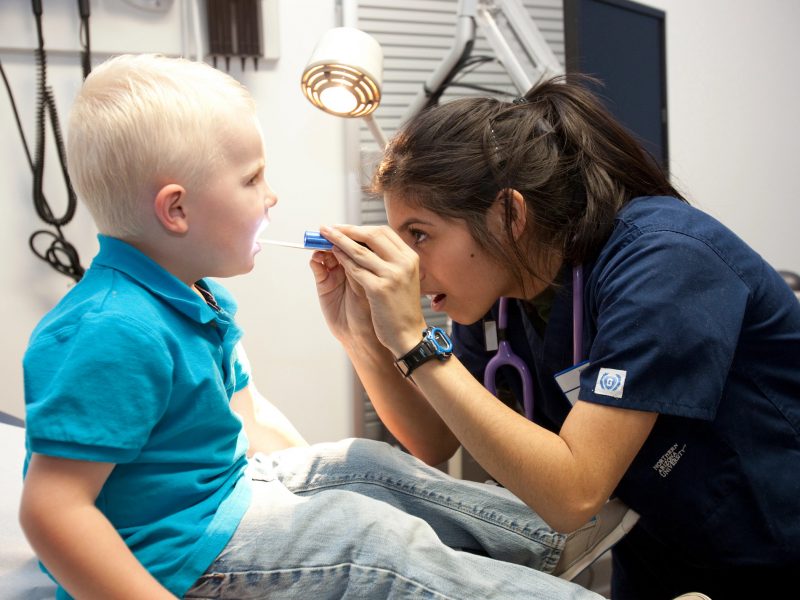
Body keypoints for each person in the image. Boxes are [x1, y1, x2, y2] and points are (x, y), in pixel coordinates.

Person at [19, 54, 611, 600]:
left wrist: (333, 484)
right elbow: (52, 511)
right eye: (252, 180)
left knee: (361, 464)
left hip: (227, 494)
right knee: (364, 539)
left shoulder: (193, 297)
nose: (272, 196)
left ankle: (551, 538)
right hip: (177, 555)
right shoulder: (114, 330)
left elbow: (246, 419)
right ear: (176, 210)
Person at [311, 76, 800, 599]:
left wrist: (414, 341)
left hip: (772, 542)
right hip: (662, 550)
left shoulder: (664, 261)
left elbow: (574, 491)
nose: (408, 259)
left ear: (509, 214)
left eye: (421, 234)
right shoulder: (500, 291)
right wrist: (362, 337)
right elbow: (434, 440)